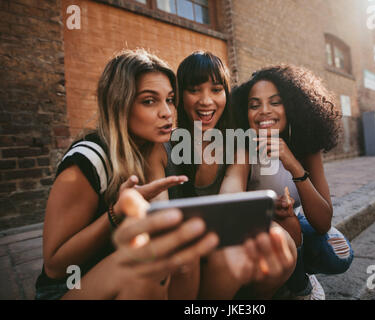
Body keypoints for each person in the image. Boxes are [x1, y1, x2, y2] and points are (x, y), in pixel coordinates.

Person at [35, 49, 219, 300]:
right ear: (119, 104)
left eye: (170, 99)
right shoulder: (88, 160)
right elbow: (55, 266)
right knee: (146, 267)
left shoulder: (162, 146)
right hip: (70, 287)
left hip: (133, 282)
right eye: (149, 101)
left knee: (182, 255)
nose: (167, 112)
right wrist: (115, 213)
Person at [147, 51, 298, 299]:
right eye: (195, 89)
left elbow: (230, 199)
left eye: (216, 90)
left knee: (281, 243)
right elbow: (159, 212)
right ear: (179, 96)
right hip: (180, 246)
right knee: (224, 255)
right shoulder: (161, 147)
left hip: (223, 232)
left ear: (226, 95)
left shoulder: (236, 146)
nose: (206, 101)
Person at [232, 64, 354, 299]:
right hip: (260, 227)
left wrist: (293, 164)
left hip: (296, 221)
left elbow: (323, 222)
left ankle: (298, 273)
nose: (264, 111)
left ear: (291, 107)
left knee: (337, 254)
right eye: (254, 105)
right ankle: (300, 287)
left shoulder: (306, 146)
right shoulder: (243, 148)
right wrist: (268, 209)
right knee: (288, 223)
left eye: (275, 102)